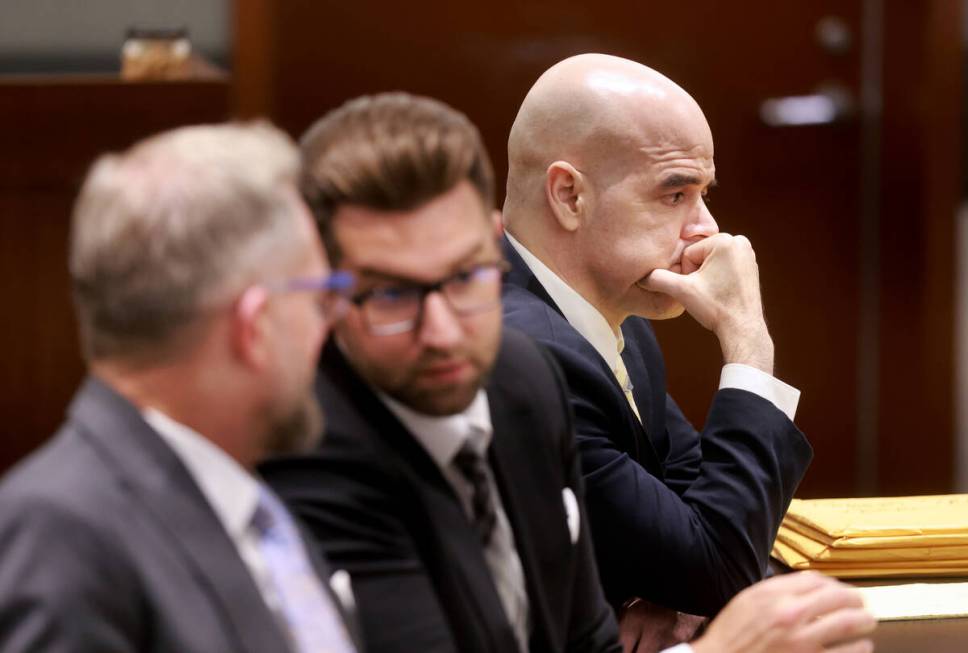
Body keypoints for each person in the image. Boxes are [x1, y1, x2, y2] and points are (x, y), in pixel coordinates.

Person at [261, 92, 874, 653]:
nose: (444, 332)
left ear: (489, 247)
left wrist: (670, 599)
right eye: (392, 296)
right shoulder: (320, 460)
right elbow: (714, 559)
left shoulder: (526, 373)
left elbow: (683, 559)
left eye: (467, 278)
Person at [0, 123, 360, 653]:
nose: (327, 327)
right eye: (317, 299)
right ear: (254, 327)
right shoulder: (62, 534)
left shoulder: (248, 504)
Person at [501, 52, 813, 635]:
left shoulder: (619, 324)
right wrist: (747, 341)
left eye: (704, 193)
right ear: (569, 196)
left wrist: (669, 596)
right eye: (675, 195)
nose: (707, 228)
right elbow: (719, 564)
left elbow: (709, 524)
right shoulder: (528, 354)